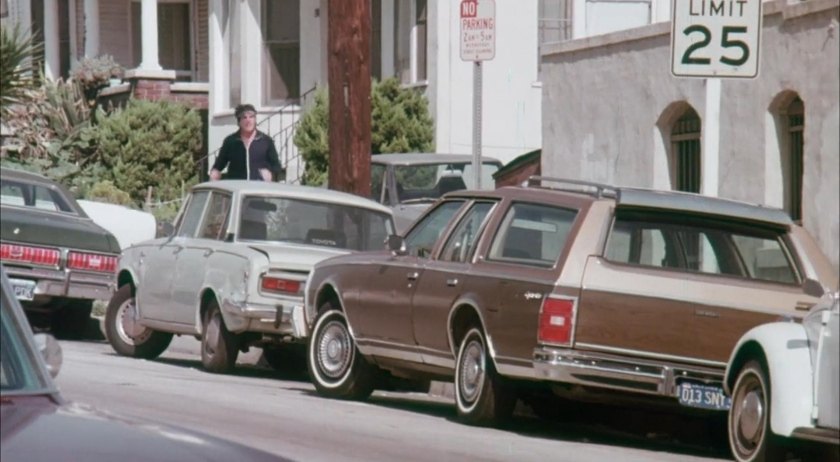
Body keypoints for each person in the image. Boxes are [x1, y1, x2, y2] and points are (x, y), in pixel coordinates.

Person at [210, 104, 283, 181]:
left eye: (251, 117)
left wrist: (270, 174)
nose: (248, 120)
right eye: (244, 117)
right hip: (237, 188)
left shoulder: (266, 141)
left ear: (255, 119)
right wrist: (215, 173)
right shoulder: (230, 141)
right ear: (239, 121)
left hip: (259, 188)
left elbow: (277, 166)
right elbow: (218, 165)